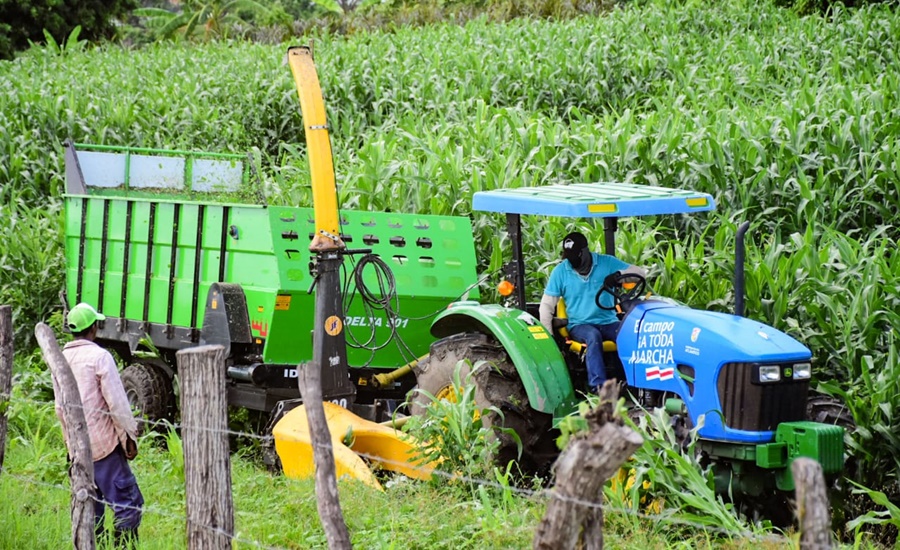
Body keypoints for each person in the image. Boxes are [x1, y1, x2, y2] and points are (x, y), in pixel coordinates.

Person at [54, 302, 143, 547]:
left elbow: (60, 409)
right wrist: (128, 438)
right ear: (94, 328)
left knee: (91, 511)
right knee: (129, 506)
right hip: (104, 445)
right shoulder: (100, 357)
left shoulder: (60, 358)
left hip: (78, 449)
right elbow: (117, 404)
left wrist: (70, 446)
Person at [538, 232, 646, 394]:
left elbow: (640, 273)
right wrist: (549, 338)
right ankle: (599, 386)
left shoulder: (606, 263)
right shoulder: (560, 272)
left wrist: (618, 276)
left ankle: (635, 382)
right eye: (569, 256)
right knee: (592, 336)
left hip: (608, 321)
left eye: (576, 256)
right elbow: (546, 306)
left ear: (585, 251)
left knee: (629, 334)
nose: (572, 261)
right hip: (580, 325)